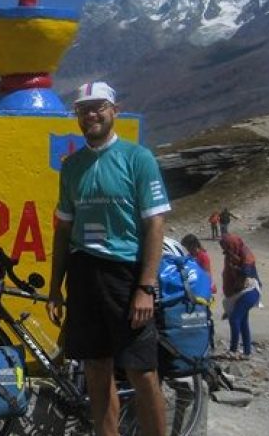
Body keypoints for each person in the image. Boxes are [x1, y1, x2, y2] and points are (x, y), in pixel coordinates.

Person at [47, 81, 170, 436]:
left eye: (99, 106)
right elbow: (63, 230)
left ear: (114, 110)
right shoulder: (72, 167)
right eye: (83, 109)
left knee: (142, 372)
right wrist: (56, 287)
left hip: (125, 274)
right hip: (84, 275)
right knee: (96, 371)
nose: (91, 114)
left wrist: (146, 286)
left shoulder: (138, 159)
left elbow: (155, 224)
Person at [219, 233, 261, 360]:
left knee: (235, 319)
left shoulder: (246, 255)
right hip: (239, 292)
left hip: (249, 290)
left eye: (226, 247)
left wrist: (235, 263)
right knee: (242, 321)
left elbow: (246, 272)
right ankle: (247, 352)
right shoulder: (231, 255)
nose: (225, 250)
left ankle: (233, 350)